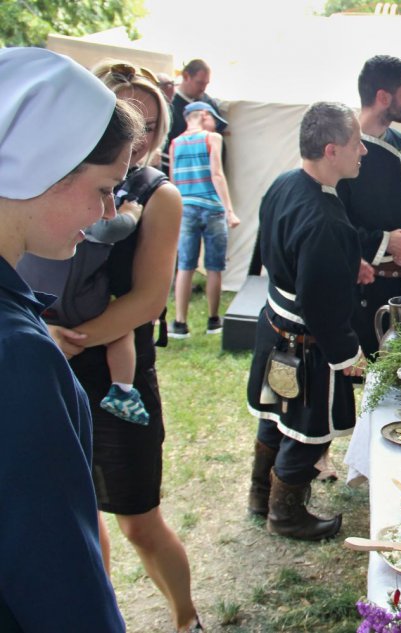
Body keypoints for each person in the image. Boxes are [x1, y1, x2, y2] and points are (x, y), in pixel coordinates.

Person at [47, 60, 203, 633]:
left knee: (139, 520)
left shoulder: (159, 195)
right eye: (123, 113)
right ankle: (102, 613)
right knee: (80, 515)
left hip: (119, 376)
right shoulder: (57, 179)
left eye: (148, 120)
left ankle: (186, 619)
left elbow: (149, 300)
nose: (136, 132)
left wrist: (70, 340)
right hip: (53, 362)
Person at [0, 46, 132, 632]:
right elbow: (54, 572)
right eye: (104, 187)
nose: (107, 211)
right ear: (44, 166)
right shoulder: (17, 353)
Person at [246, 102, 370, 541]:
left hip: (276, 327)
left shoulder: (285, 183)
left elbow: (282, 252)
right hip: (306, 341)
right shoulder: (324, 219)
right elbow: (321, 308)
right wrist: (349, 356)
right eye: (357, 144)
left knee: (276, 411)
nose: (363, 152)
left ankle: (261, 495)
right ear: (332, 150)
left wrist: (347, 263)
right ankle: (286, 514)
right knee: (307, 428)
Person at [337, 54, 401, 359]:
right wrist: (386, 243)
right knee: (365, 370)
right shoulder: (343, 151)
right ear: (383, 97)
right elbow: (336, 223)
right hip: (363, 287)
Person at [168, 101, 239, 337]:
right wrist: (229, 210)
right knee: (214, 267)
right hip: (212, 208)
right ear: (205, 115)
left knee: (185, 266)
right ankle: (213, 320)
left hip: (185, 208)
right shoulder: (212, 138)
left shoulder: (175, 143)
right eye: (215, 121)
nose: (216, 126)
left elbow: (173, 181)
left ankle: (180, 323)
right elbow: (216, 173)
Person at [84, 195, 150, 425]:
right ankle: (122, 391)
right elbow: (108, 229)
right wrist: (130, 213)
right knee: (121, 330)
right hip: (82, 295)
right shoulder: (85, 207)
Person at [161, 59, 226, 175]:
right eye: (200, 83)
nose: (203, 88)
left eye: (206, 84)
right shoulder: (170, 105)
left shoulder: (208, 103)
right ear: (186, 76)